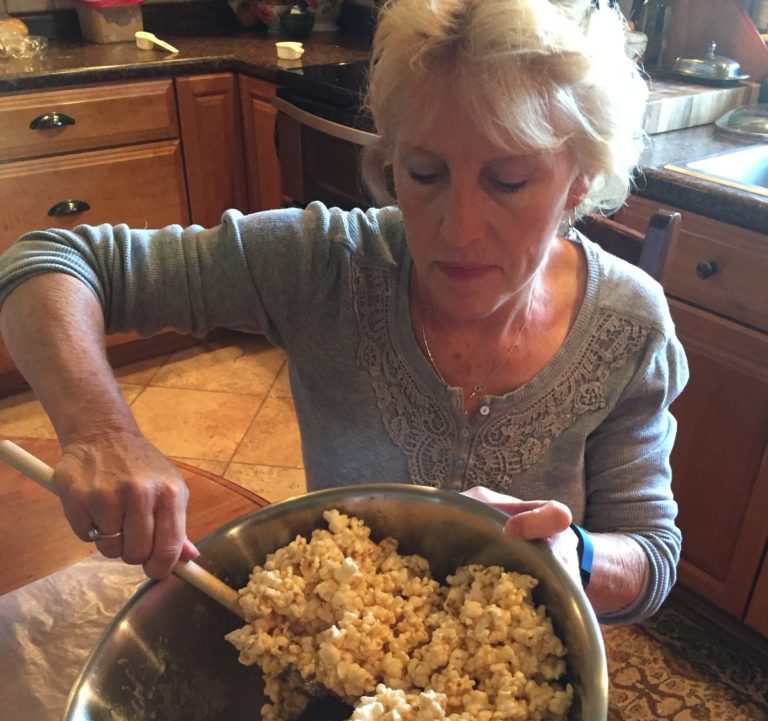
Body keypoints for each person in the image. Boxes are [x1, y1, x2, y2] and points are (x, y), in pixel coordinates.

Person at [0, 0, 687, 624]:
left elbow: (651, 556)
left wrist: (577, 554)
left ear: (581, 178)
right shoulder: (325, 266)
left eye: (508, 181)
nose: (458, 230)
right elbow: (47, 262)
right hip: (344, 656)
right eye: (424, 174)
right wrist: (99, 431)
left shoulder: (628, 325)